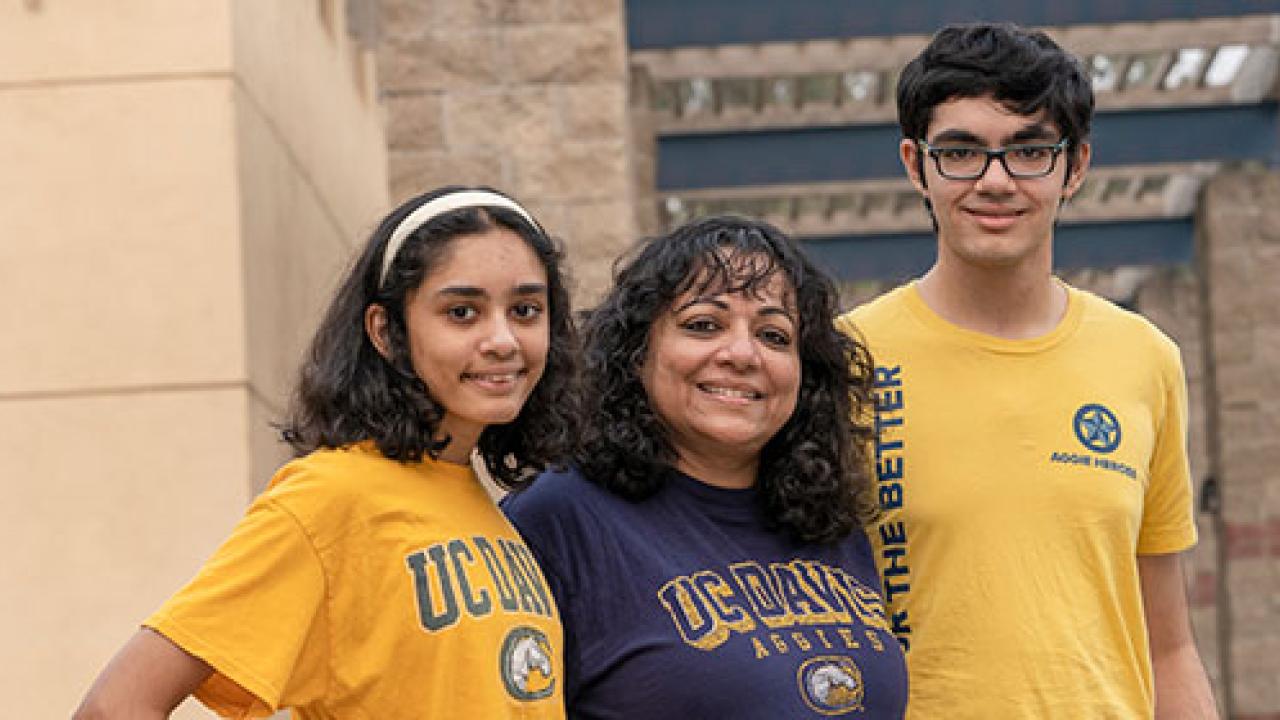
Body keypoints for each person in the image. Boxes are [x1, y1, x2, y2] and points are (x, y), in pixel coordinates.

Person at [73, 187, 577, 719]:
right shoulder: (329, 497)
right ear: (386, 332)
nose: (502, 339)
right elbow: (114, 708)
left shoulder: (485, 511)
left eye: (525, 310)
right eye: (461, 312)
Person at [836, 22, 1218, 718]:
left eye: (1029, 150)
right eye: (960, 152)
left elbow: (1169, 645)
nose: (994, 180)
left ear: (1074, 167)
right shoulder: (845, 360)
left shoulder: (1145, 358)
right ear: (914, 164)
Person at [503, 216, 908, 718]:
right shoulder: (557, 520)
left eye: (774, 336)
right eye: (703, 325)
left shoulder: (830, 523)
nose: (742, 354)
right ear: (636, 355)